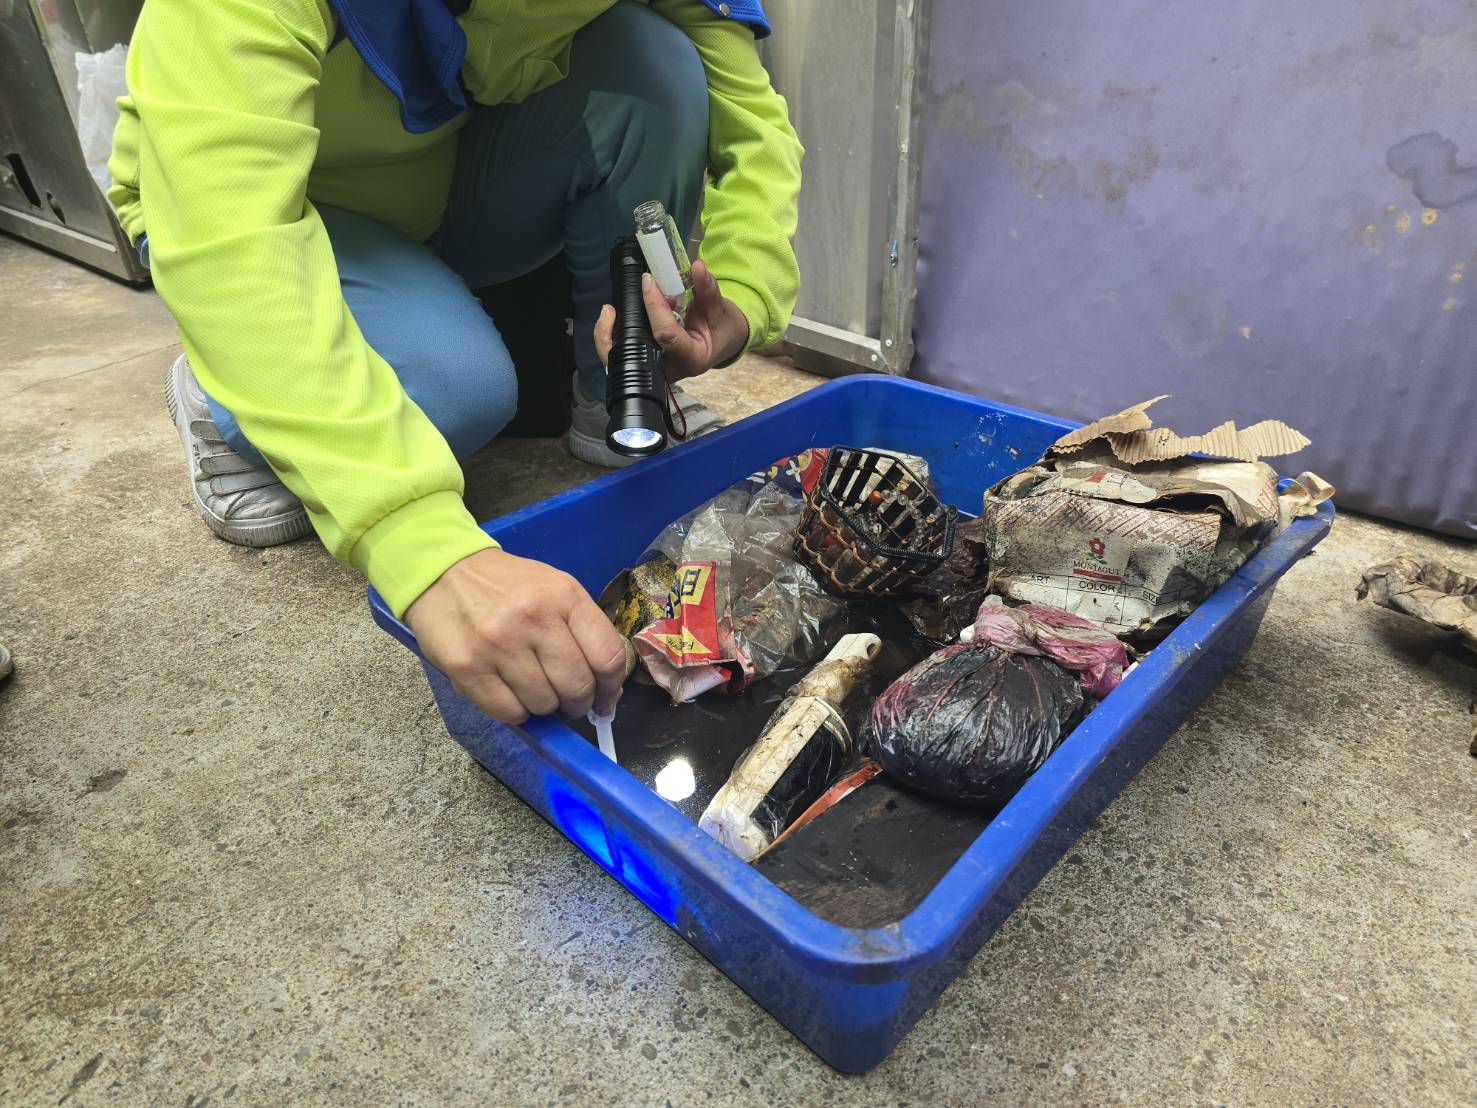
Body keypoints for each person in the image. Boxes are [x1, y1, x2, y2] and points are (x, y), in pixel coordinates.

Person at [108, 0, 802, 726]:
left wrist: (740, 294)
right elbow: (233, 245)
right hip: (256, 209)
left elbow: (747, 121)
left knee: (651, 60)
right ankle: (218, 394)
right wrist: (422, 543)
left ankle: (614, 385)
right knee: (455, 396)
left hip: (440, 180)